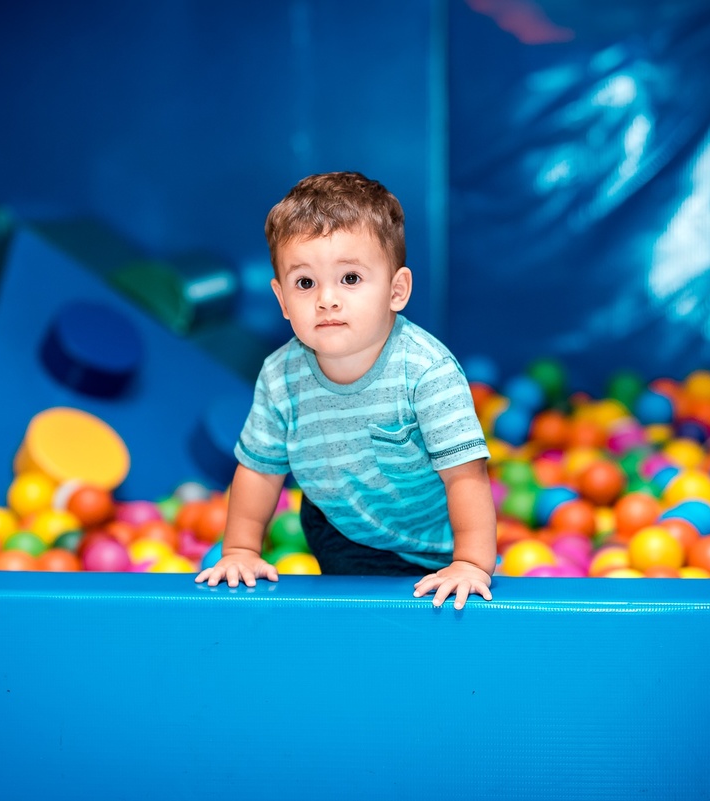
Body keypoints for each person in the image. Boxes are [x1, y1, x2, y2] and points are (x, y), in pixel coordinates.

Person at [195, 171, 496, 609]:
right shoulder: (281, 376)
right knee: (365, 618)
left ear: (396, 290)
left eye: (350, 278)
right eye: (305, 283)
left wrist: (470, 562)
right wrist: (240, 550)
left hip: (436, 536)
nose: (327, 299)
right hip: (344, 527)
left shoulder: (426, 371)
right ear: (282, 300)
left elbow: (465, 475)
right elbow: (260, 470)